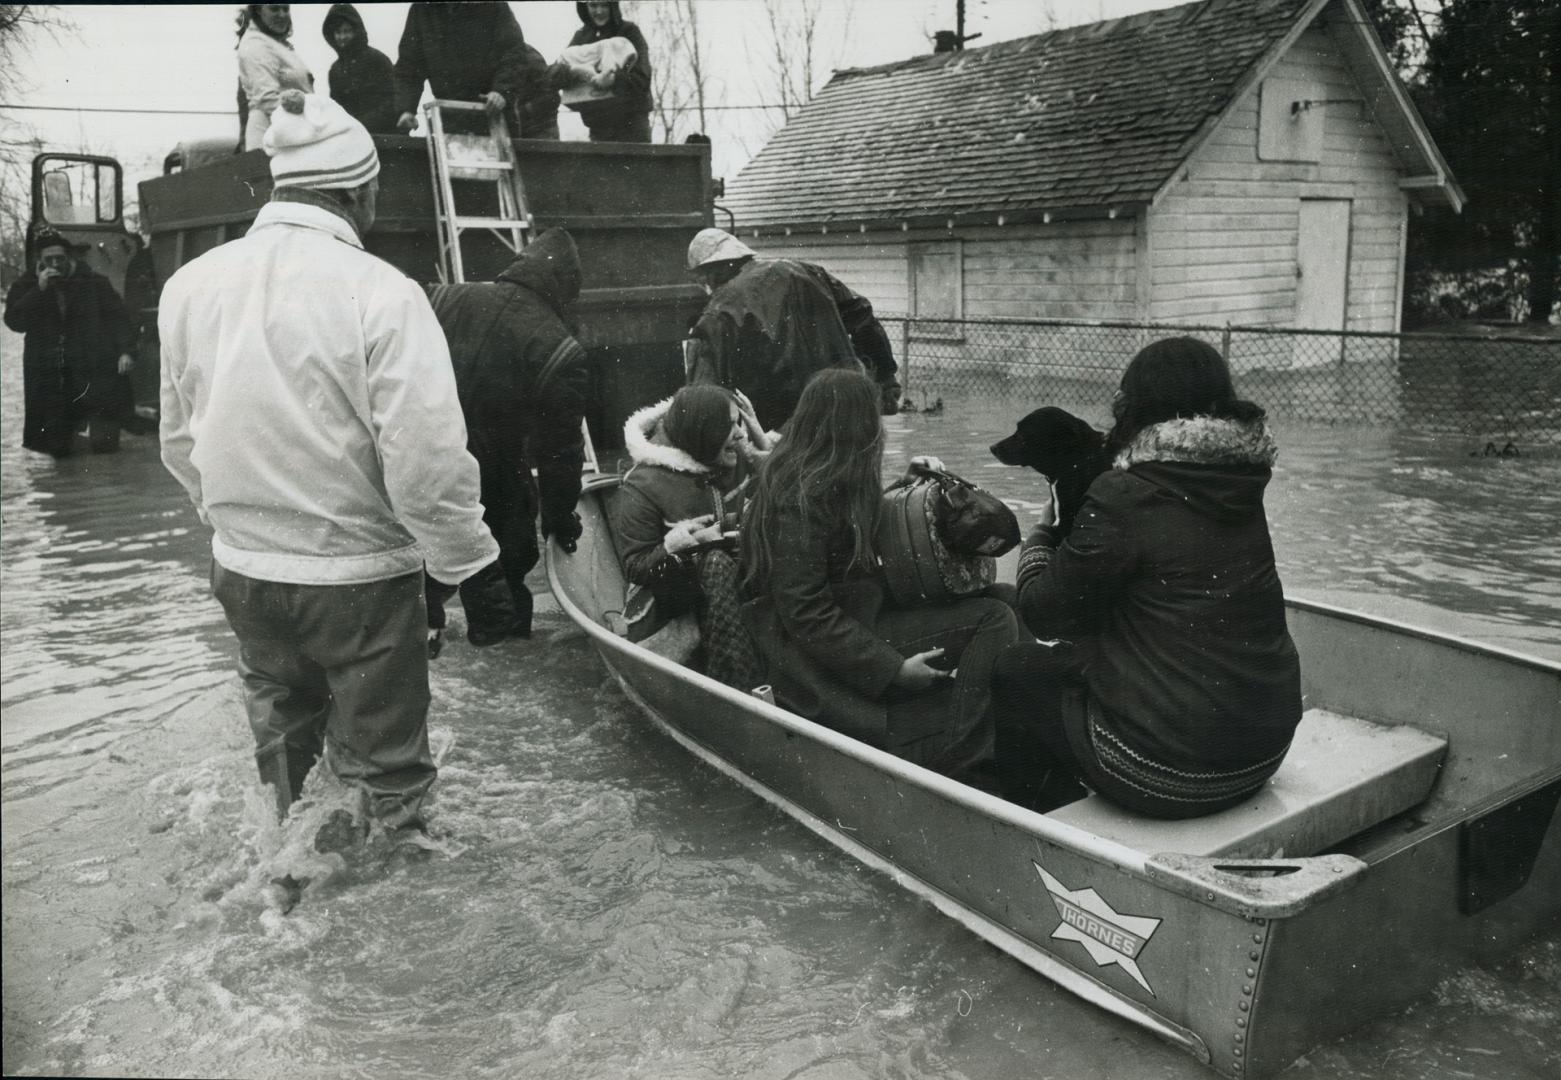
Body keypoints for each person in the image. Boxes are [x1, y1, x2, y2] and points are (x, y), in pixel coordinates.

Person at [158, 90, 499, 833]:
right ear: (361, 190)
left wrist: (235, 526)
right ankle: (395, 909)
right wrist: (459, 564)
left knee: (284, 761)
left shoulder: (188, 285)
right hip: (358, 577)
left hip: (244, 569)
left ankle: (283, 886)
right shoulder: (383, 292)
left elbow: (179, 442)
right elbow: (427, 460)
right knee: (389, 778)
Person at [991, 337, 1304, 818]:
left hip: (1166, 774)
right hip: (1262, 755)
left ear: (1136, 404)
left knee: (1015, 668)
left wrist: (1042, 535)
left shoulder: (1123, 491)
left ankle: (1040, 826)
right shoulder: (1245, 481)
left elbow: (1042, 613)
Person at [739, 368, 1018, 784]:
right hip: (812, 653)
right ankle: (964, 764)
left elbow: (842, 537)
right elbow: (805, 612)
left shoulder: (817, 478)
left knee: (1006, 597)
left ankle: (1009, 730)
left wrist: (902, 485)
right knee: (994, 619)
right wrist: (891, 669)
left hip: (858, 615)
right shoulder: (798, 500)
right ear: (854, 428)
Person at [425, 227, 590, 644]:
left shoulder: (445, 297)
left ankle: (425, 632)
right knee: (507, 564)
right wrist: (559, 517)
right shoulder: (560, 348)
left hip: (421, 453)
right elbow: (561, 451)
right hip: (494, 467)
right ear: (566, 288)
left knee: (423, 567)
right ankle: (500, 640)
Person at [610, 385, 769, 687]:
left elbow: (787, 487)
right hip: (673, 605)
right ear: (703, 432)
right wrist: (686, 543)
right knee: (716, 563)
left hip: (732, 591)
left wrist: (759, 439)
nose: (739, 433)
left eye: (740, 422)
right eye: (729, 425)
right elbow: (635, 567)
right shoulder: (641, 486)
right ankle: (738, 688)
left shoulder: (732, 456)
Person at [684, 228, 901, 431]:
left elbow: (704, 396)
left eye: (702, 277)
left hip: (781, 430)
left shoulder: (721, 308)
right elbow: (863, 317)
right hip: (845, 412)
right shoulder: (809, 272)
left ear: (710, 272)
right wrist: (886, 375)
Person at [4, 228, 136, 457]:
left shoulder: (95, 282)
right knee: (58, 448)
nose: (55, 264)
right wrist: (39, 291)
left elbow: (119, 318)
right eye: (49, 259)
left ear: (70, 258)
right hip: (53, 373)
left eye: (60, 258)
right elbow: (15, 322)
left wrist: (126, 351)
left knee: (105, 445)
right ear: (39, 261)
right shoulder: (27, 285)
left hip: (94, 367)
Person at [393, 2, 545, 137]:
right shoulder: (422, 10)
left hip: (493, 114)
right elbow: (409, 67)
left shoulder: (494, 5)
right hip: (449, 119)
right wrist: (406, 109)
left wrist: (501, 91)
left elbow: (513, 53)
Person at [558, 1, 653, 143]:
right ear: (584, 6)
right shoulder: (581, 37)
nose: (599, 11)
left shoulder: (629, 32)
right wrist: (575, 74)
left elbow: (642, 78)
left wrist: (614, 80)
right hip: (599, 127)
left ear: (613, 5)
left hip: (632, 126)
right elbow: (562, 69)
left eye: (604, 5)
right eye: (593, 6)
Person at [237, 4, 314, 151]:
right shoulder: (255, 44)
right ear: (259, 10)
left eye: (286, 9)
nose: (282, 14)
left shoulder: (278, 44)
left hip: (290, 132)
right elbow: (267, 99)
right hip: (272, 135)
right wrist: (313, 120)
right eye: (274, 9)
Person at [322, 3, 397, 134]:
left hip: (384, 135)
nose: (342, 37)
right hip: (351, 136)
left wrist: (360, 125)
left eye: (347, 31)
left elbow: (393, 102)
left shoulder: (377, 59)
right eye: (338, 32)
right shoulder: (335, 70)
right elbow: (336, 109)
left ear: (357, 31)